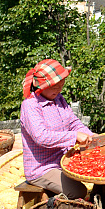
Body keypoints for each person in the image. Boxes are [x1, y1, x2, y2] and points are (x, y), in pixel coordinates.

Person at [20, 58, 93, 200]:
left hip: (64, 160)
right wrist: (74, 136)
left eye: (61, 86)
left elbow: (73, 123)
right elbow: (42, 137)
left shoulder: (59, 99)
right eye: (54, 87)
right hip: (43, 168)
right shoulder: (31, 105)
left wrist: (90, 135)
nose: (58, 89)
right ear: (42, 85)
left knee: (98, 174)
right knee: (77, 192)